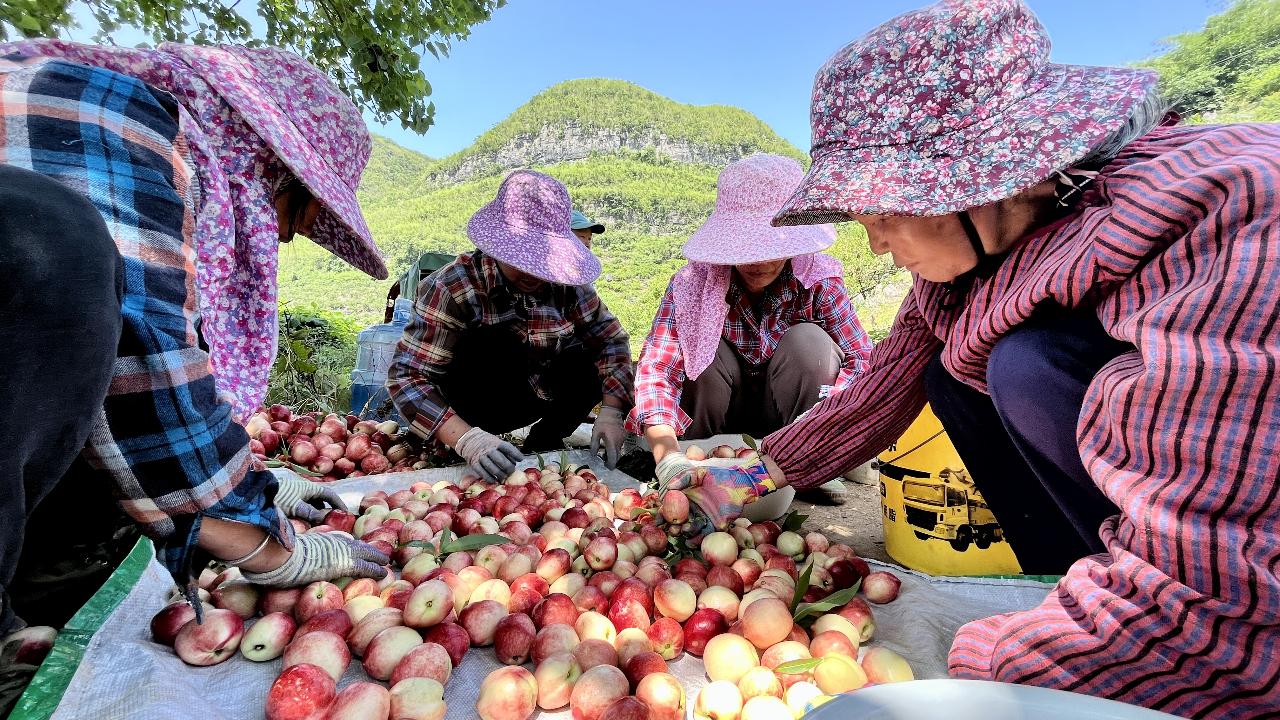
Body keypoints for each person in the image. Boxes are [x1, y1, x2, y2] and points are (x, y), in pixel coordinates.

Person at [657, 0, 1280, 715]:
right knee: (950, 374)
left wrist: (1000, 673)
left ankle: (1113, 628)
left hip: (1234, 535)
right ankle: (1069, 581)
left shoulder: (1222, 212)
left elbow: (1225, 568)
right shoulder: (967, 263)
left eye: (884, 214)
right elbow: (880, 388)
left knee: (1026, 363)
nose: (877, 246)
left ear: (990, 182)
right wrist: (756, 471)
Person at [0, 42, 392, 692]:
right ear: (274, 169)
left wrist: (251, 483)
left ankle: (42, 572)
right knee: (53, 244)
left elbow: (153, 358)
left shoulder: (170, 152)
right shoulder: (119, 128)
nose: (286, 235)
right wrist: (270, 547)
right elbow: (143, 369)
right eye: (299, 213)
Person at [631, 154, 872, 506]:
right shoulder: (692, 285)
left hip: (790, 420)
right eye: (745, 247)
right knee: (701, 351)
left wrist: (821, 423)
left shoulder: (819, 281)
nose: (758, 262)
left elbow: (861, 359)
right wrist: (667, 455)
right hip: (717, 419)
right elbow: (657, 369)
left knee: (810, 344)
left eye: (771, 248)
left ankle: (806, 465)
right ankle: (693, 466)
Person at [388, 170, 634, 480]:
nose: (533, 274)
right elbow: (408, 377)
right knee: (490, 343)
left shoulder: (569, 287)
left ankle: (545, 440)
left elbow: (611, 341)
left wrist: (612, 410)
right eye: (522, 259)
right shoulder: (452, 287)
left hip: (540, 394)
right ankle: (465, 440)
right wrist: (466, 439)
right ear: (497, 246)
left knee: (589, 357)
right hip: (478, 401)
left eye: (543, 262)